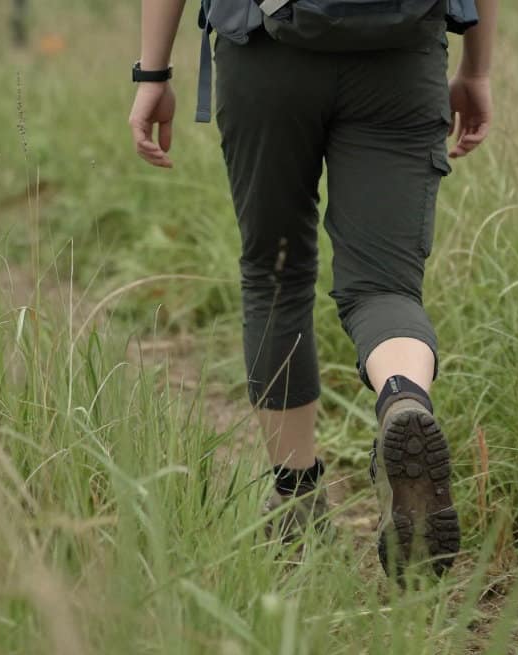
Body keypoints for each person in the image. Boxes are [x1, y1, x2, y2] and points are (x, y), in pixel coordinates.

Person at [128, 0, 498, 578]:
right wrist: (476, 71)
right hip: (399, 57)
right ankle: (403, 398)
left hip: (265, 54)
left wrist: (152, 73)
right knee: (385, 289)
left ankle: (296, 501)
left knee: (276, 274)